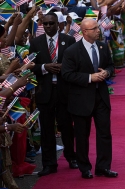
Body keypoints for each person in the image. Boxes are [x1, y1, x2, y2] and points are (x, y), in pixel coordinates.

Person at [61, 18, 117, 179]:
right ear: (84, 32)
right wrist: (90, 78)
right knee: (82, 135)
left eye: (97, 28)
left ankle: (103, 167)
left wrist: (107, 72)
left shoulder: (103, 46)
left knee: (104, 133)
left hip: (101, 97)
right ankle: (84, 167)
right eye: (94, 29)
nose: (98, 30)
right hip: (81, 99)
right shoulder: (72, 51)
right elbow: (67, 74)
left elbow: (110, 66)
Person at [29, 12, 77, 176]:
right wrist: (45, 67)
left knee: (66, 126)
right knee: (47, 129)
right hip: (45, 91)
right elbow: (31, 66)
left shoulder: (69, 40)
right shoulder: (35, 43)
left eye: (51, 23)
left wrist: (64, 67)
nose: (48, 26)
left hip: (64, 90)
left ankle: (71, 157)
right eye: (45, 24)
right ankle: (49, 164)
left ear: (58, 24)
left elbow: (76, 64)